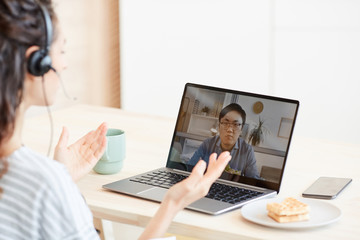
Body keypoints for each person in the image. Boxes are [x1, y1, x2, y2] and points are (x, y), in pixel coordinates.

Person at [0, 0, 231, 239]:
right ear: (36, 63)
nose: (65, 64)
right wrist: (173, 202)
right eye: (61, 51)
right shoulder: (44, 183)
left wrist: (63, 179)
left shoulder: (45, 181)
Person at [188, 103, 259, 179]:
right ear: (219, 126)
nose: (229, 129)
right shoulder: (207, 144)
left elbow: (254, 180)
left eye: (235, 124)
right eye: (225, 123)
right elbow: (189, 169)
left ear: (241, 129)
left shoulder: (247, 151)